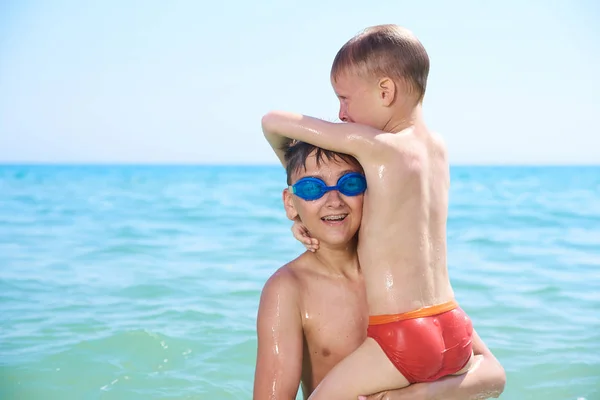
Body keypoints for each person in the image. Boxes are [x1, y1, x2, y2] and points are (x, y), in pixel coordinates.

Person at [261, 24, 492, 399]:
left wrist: (302, 198)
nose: (341, 113)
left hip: (404, 332)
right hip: (452, 324)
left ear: (385, 91)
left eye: (345, 99)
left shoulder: (377, 147)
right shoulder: (438, 148)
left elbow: (272, 122)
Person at [253, 140, 506, 399]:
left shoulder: (404, 272)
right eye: (311, 188)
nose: (333, 201)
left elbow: (493, 376)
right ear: (290, 203)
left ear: (373, 191)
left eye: (350, 184)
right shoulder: (288, 289)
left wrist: (416, 396)